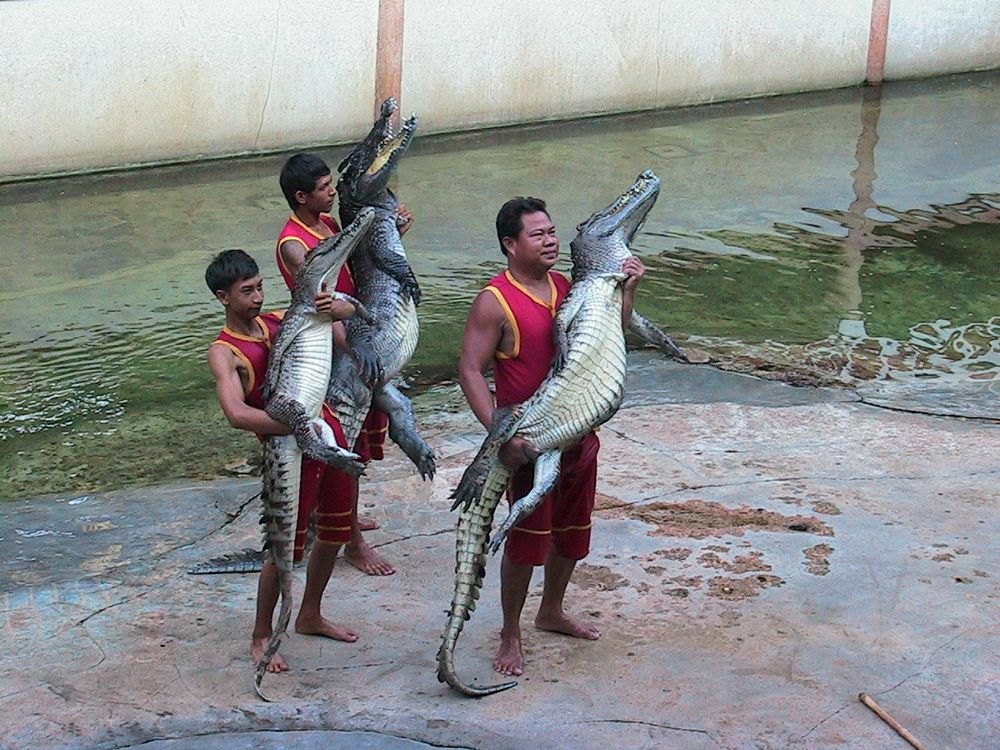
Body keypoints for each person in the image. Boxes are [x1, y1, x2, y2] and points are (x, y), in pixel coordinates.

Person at [457, 196, 645, 677]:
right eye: (538, 234)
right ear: (510, 244)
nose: (550, 241)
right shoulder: (494, 300)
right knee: (526, 543)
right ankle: (510, 632)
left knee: (574, 534)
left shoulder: (567, 286)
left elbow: (613, 333)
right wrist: (500, 437)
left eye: (552, 231)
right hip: (530, 442)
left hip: (580, 433)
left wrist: (628, 290)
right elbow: (471, 370)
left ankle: (552, 610)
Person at [205, 248, 361, 673]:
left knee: (335, 529)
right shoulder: (224, 351)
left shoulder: (279, 320)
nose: (257, 298)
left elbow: (348, 311)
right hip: (288, 448)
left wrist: (335, 305)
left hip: (328, 432)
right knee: (281, 549)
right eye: (246, 292)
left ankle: (310, 613)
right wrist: (295, 427)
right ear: (223, 297)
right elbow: (236, 413)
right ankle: (261, 633)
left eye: (260, 287)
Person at [275, 152, 413, 576]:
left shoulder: (329, 225)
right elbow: (323, 304)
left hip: (354, 333)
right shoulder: (294, 244)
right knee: (344, 443)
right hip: (332, 345)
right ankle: (351, 541)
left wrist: (393, 229)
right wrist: (352, 346)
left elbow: (355, 271)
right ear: (301, 196)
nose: (332, 191)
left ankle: (339, 517)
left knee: (359, 442)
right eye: (323, 188)